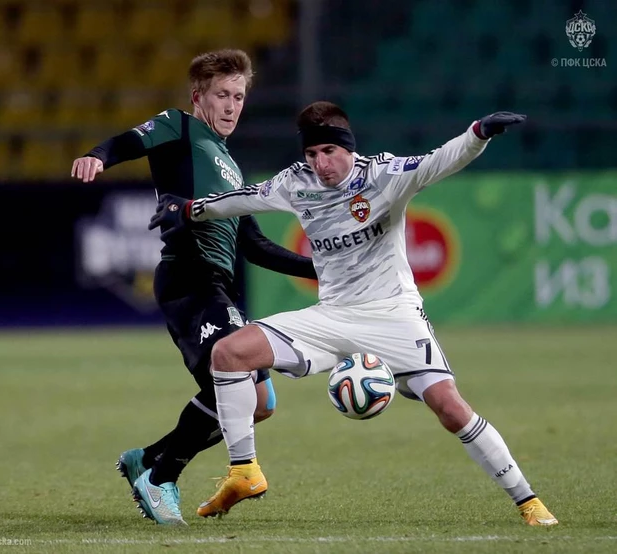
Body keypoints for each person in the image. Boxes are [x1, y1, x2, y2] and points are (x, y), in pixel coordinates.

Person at [149, 101, 558, 526]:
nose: (320, 163)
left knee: (451, 409)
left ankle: (529, 503)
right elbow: (243, 199)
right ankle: (244, 471)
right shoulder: (297, 182)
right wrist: (190, 209)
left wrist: (478, 133)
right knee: (229, 354)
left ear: (348, 147)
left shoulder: (383, 176)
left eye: (328, 151)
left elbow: (440, 161)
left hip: (392, 315)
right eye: (312, 153)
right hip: (332, 315)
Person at [71, 49, 316, 525]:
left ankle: (147, 459)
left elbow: (254, 245)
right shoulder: (180, 127)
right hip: (189, 276)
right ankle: (161, 477)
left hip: (217, 286)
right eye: (222, 95)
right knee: (234, 383)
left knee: (261, 403)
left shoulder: (231, 167)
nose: (231, 106)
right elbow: (129, 141)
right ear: (198, 96)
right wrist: (97, 156)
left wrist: (318, 268)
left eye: (239, 96)